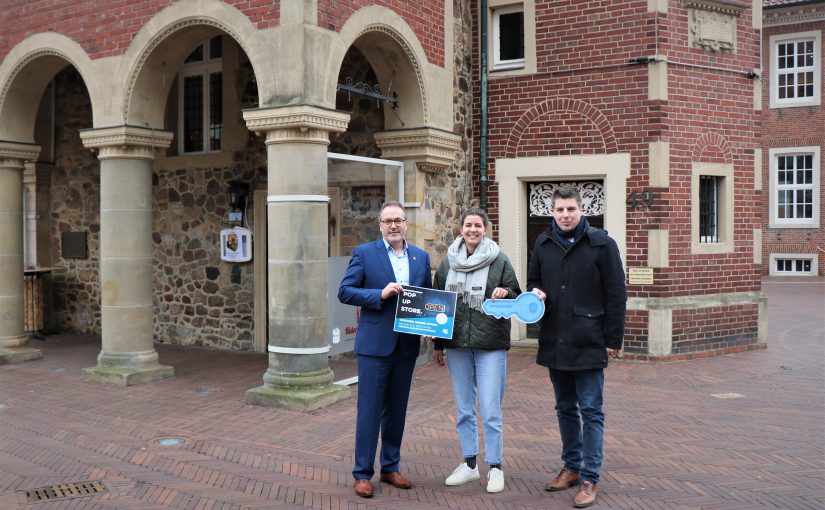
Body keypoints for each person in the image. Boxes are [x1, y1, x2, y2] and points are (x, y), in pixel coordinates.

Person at [527, 188, 626, 508]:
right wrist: (536, 293)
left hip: (590, 338)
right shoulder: (542, 244)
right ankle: (571, 467)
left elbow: (616, 294)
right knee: (565, 408)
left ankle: (590, 477)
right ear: (552, 213)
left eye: (570, 209)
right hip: (556, 337)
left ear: (582, 211)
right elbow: (534, 283)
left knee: (591, 410)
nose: (565, 214)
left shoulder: (602, 244)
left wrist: (613, 339)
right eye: (559, 210)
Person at [338, 201, 432, 498]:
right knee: (369, 410)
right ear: (380, 225)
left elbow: (426, 298)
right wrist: (379, 293)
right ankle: (363, 473)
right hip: (375, 346)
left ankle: (390, 467)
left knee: (397, 410)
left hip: (406, 345)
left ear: (406, 224)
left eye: (398, 220)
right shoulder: (365, 253)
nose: (393, 225)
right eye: (388, 221)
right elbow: (345, 291)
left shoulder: (420, 256)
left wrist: (430, 327)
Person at [431, 208, 521, 493]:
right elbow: (437, 304)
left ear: (486, 230)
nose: (472, 229)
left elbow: (516, 295)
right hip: (457, 344)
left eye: (478, 225)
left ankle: (495, 467)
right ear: (461, 229)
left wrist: (505, 293)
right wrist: (438, 344)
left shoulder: (499, 260)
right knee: (463, 409)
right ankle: (469, 464)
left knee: (491, 409)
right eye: (468, 225)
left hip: (490, 345)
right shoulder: (448, 262)